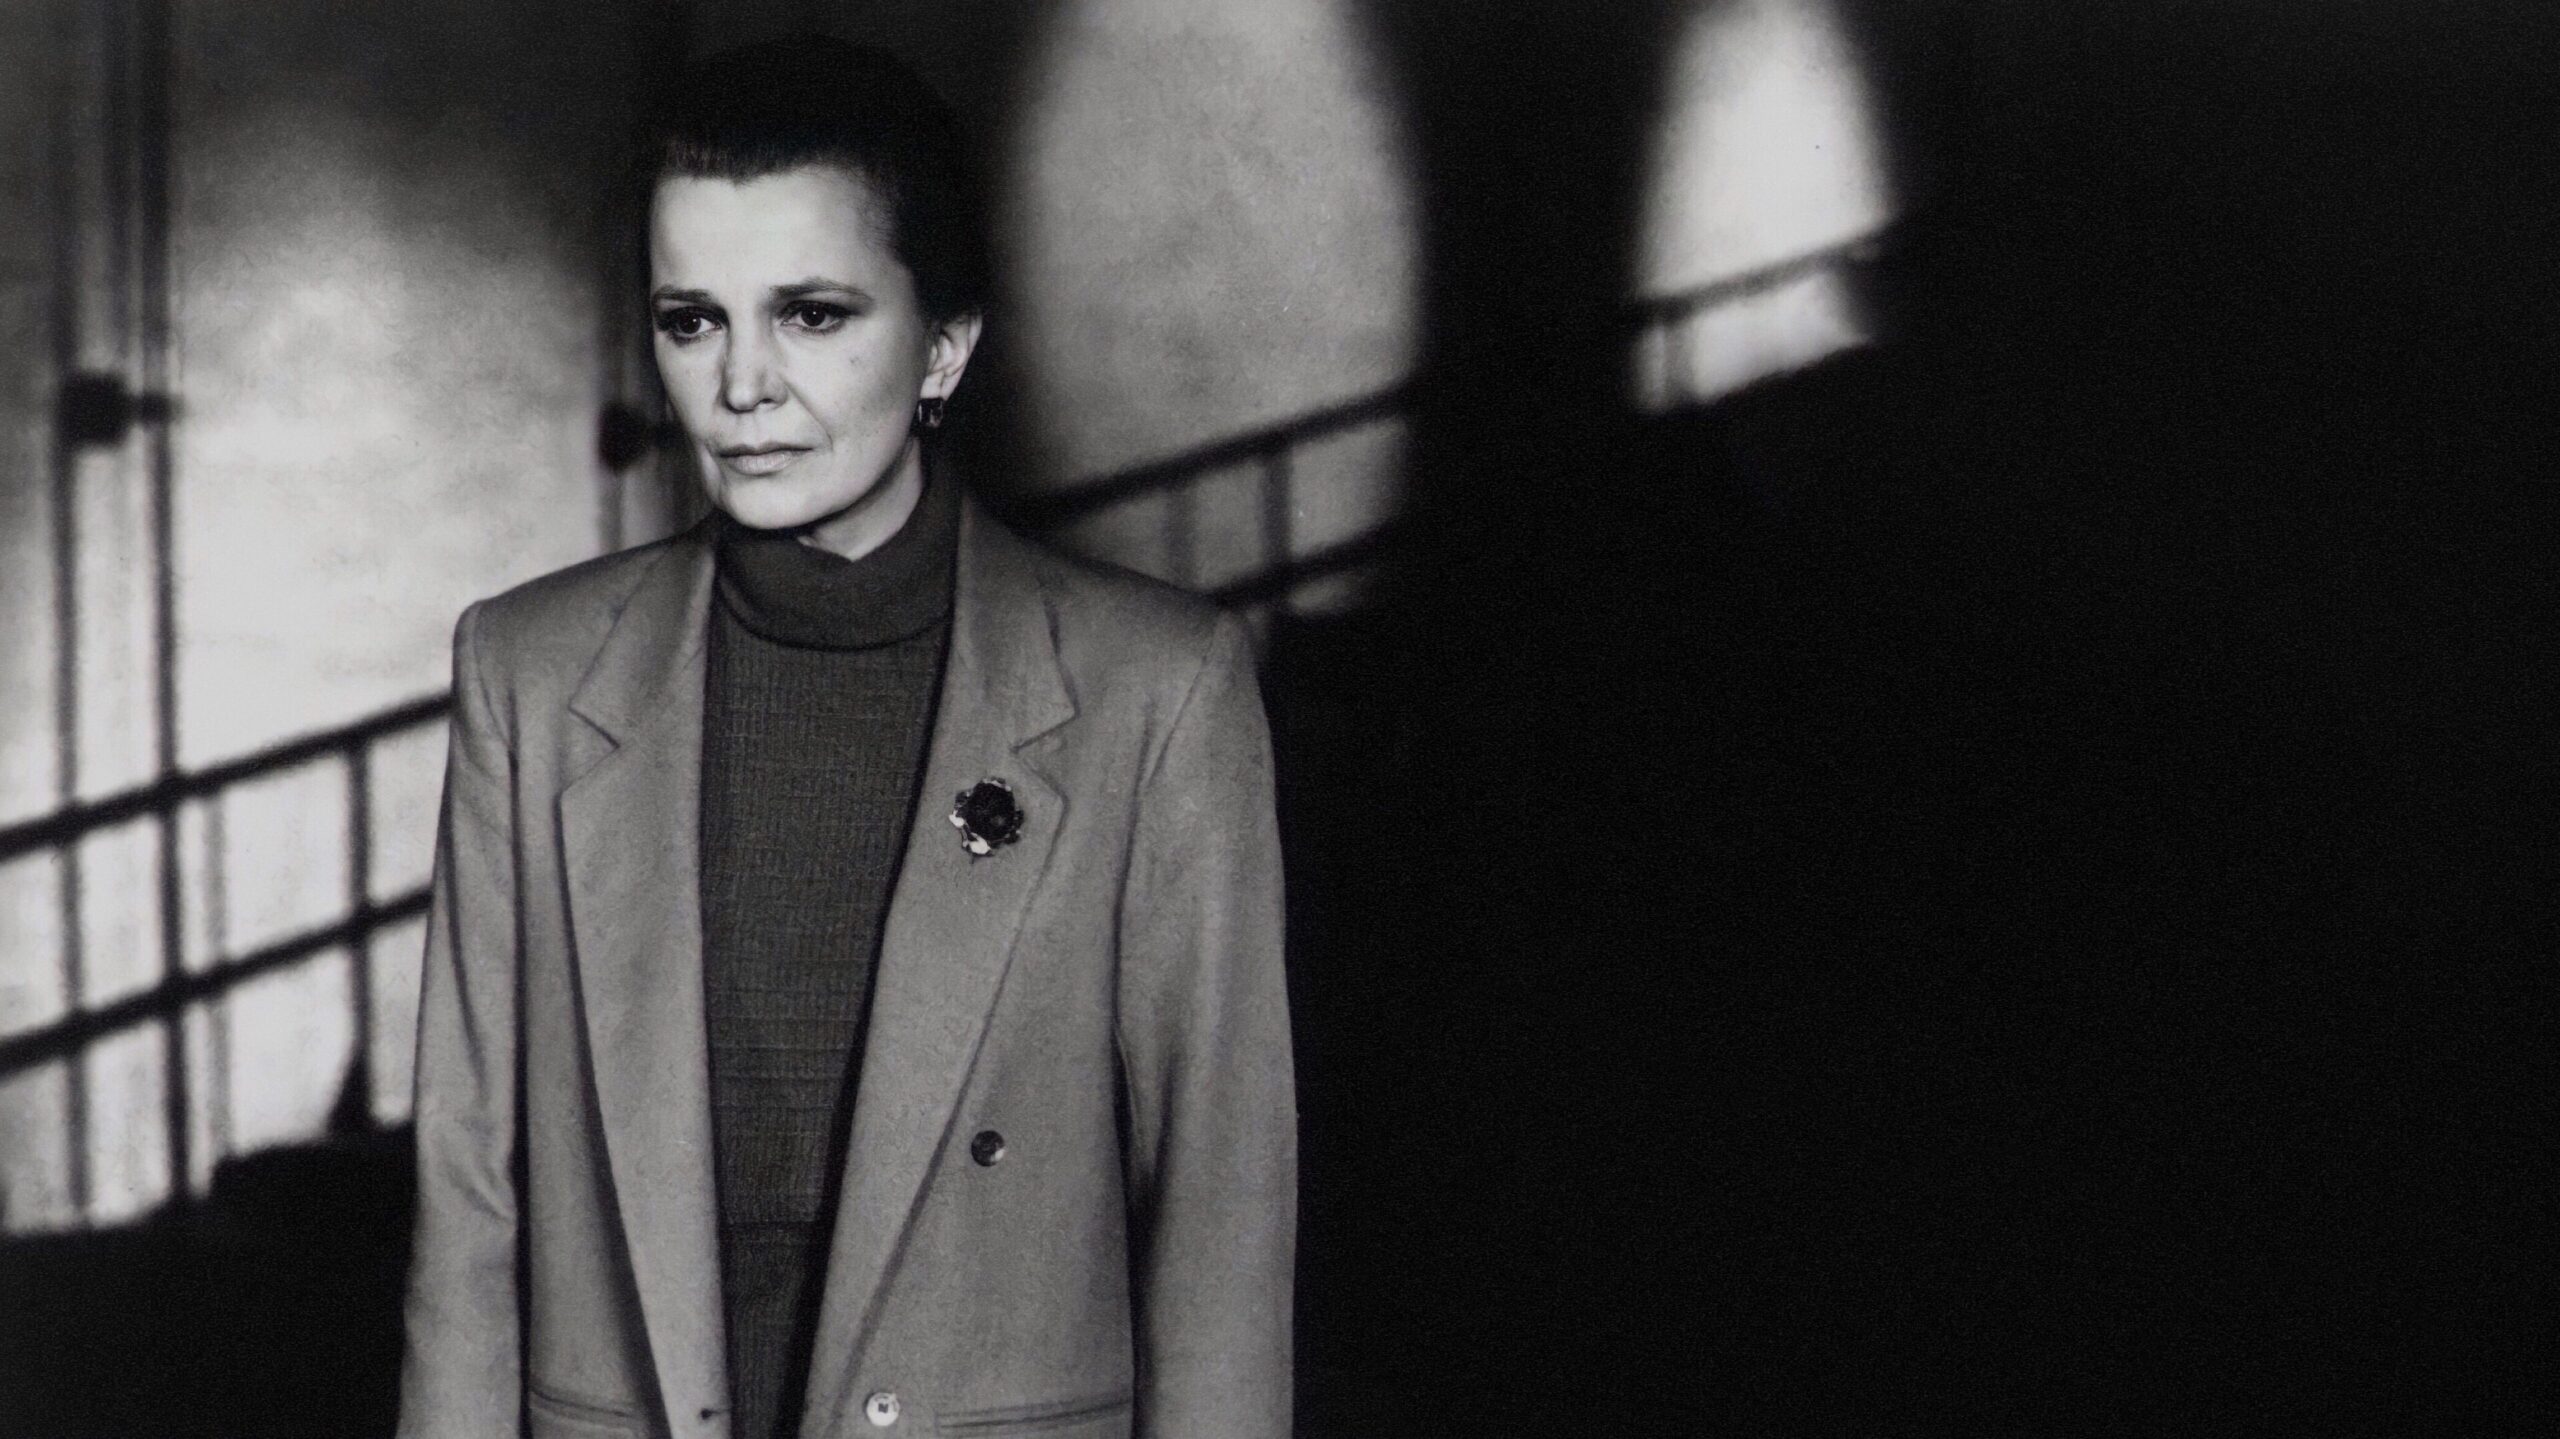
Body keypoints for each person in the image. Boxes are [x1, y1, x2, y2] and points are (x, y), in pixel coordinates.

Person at [395, 36, 1293, 1439]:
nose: (742, 384)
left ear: (943, 347)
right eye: (693, 320)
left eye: (812, 315)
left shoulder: (1155, 690)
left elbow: (1222, 1215)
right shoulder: (531, 673)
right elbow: (467, 1200)